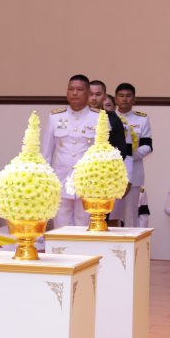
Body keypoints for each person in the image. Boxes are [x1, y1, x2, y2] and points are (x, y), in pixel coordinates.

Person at [45, 75, 128, 227]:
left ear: (88, 93)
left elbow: (105, 155)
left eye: (79, 89)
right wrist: (45, 181)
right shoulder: (55, 117)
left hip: (88, 185)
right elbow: (47, 152)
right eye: (71, 89)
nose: (74, 93)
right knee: (61, 230)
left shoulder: (100, 118)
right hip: (60, 182)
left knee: (85, 230)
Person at [114, 83, 154, 227]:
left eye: (128, 96)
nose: (124, 99)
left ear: (134, 99)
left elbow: (148, 146)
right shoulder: (107, 117)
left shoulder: (142, 119)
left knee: (130, 215)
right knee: (110, 214)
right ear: (115, 99)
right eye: (121, 96)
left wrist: (128, 155)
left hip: (133, 174)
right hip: (110, 173)